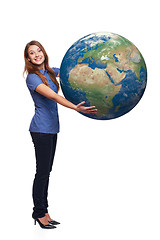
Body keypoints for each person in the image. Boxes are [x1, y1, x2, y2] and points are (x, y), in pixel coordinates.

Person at [24, 40, 97, 229]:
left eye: (39, 50)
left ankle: (45, 211)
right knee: (42, 173)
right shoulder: (32, 78)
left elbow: (69, 71)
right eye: (32, 53)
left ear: (44, 52)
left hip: (52, 129)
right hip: (41, 130)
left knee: (46, 172)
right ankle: (38, 213)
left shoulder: (50, 72)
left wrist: (92, 61)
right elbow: (54, 96)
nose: (37, 54)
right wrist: (75, 107)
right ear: (28, 58)